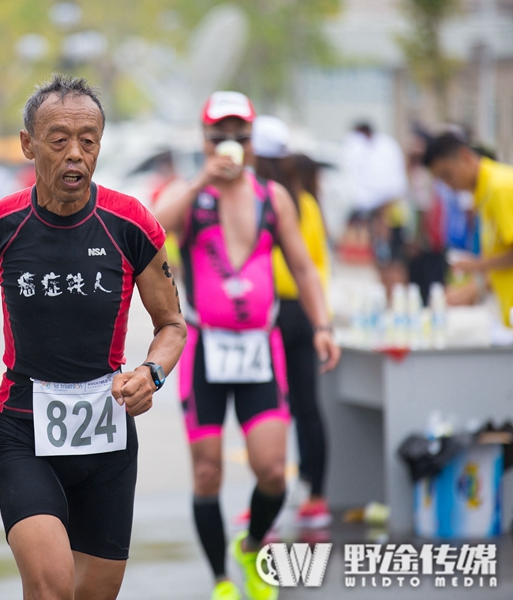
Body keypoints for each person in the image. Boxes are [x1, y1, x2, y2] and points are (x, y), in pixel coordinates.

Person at [0, 74, 186, 600]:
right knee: (51, 587)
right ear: (28, 144)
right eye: (59, 140)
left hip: (108, 437)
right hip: (24, 433)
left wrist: (152, 372)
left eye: (88, 140)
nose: (75, 153)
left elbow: (172, 324)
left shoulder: (131, 225)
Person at [154, 93, 340, 600]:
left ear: (253, 142)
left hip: (261, 348)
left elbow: (303, 267)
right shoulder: (194, 195)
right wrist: (201, 181)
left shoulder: (272, 197)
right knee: (209, 470)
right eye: (220, 136)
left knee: (273, 470)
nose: (230, 145)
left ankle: (253, 547)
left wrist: (322, 324)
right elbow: (151, 229)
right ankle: (220, 580)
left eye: (239, 136)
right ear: (204, 140)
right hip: (205, 351)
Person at [252, 117, 333, 527]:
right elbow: (317, 265)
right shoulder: (306, 201)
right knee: (306, 405)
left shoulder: (261, 199)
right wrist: (323, 319)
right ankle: (316, 496)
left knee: (268, 408)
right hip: (304, 311)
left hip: (269, 313)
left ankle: (266, 499)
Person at [424, 133, 513, 326]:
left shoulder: (499, 188)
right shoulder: (484, 192)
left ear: (465, 156)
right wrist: (476, 285)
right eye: (441, 179)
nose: (448, 184)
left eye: (447, 174)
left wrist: (477, 265)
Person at [341, 121, 409, 290]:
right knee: (382, 260)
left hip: (391, 218)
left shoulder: (385, 150)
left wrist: (383, 219)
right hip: (379, 216)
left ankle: (395, 297)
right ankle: (388, 297)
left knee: (394, 261)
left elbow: (391, 188)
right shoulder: (373, 153)